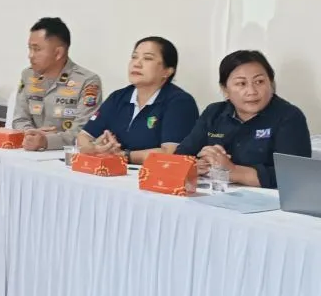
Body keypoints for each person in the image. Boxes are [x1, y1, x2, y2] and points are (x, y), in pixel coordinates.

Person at [175, 50, 311, 188]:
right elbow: (179, 157)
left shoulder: (288, 116)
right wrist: (195, 166)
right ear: (225, 90)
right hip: (217, 194)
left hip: (270, 199)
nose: (252, 91)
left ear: (271, 84)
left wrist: (233, 171)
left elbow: (294, 175)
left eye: (259, 81)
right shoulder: (214, 113)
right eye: (241, 83)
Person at [77, 37, 199, 164]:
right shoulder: (118, 97)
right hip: (115, 170)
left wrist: (124, 155)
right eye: (134, 57)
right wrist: (96, 149)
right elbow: (83, 136)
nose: (137, 64)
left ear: (167, 71)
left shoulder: (180, 103)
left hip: (155, 174)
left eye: (147, 58)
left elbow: (171, 153)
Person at [11, 17, 103, 151]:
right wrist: (31, 134)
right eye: (30, 49)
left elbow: (84, 132)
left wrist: (46, 141)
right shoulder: (28, 75)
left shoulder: (87, 81)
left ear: (58, 53)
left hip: (65, 156)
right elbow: (19, 119)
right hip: (29, 152)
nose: (30, 55)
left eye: (37, 49)